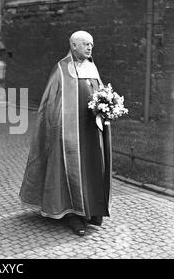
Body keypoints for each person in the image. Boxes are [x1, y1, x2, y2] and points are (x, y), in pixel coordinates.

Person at [19, 30, 112, 236]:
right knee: (70, 170)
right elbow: (50, 102)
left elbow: (101, 92)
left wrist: (107, 105)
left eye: (91, 44)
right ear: (73, 46)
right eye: (85, 44)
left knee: (92, 166)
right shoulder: (61, 70)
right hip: (69, 132)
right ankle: (72, 214)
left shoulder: (92, 67)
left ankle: (91, 210)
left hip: (91, 130)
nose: (90, 48)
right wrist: (58, 127)